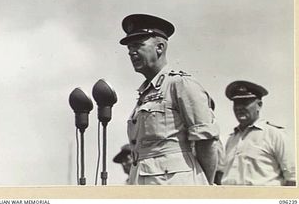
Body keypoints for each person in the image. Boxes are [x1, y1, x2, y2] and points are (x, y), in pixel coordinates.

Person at [119, 13, 219, 185]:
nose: (132, 53)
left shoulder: (180, 84)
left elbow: (206, 141)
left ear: (160, 47)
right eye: (129, 49)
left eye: (137, 45)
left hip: (175, 186)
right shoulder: (145, 94)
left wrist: (204, 186)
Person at [221, 80, 296, 186]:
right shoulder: (231, 139)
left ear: (259, 105)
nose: (239, 108)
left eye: (245, 103)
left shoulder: (275, 135)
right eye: (236, 103)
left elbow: (293, 178)